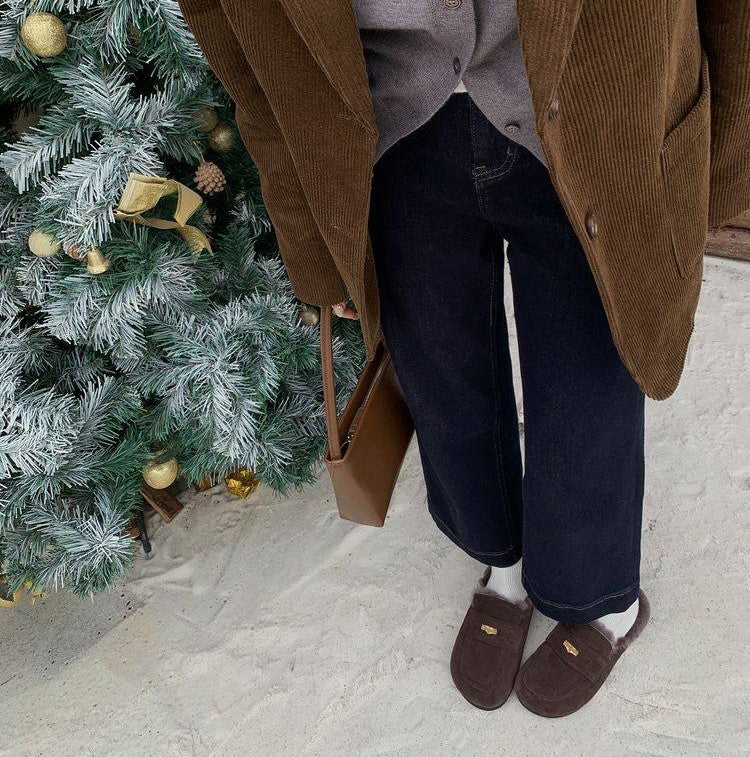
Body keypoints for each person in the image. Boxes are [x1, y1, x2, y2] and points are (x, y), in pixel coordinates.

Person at [177, 0, 750, 717]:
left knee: (586, 375)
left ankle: (598, 597)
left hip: (602, 110)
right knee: (441, 375)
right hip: (387, 127)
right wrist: (315, 239)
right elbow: (248, 61)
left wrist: (720, 161)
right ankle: (500, 557)